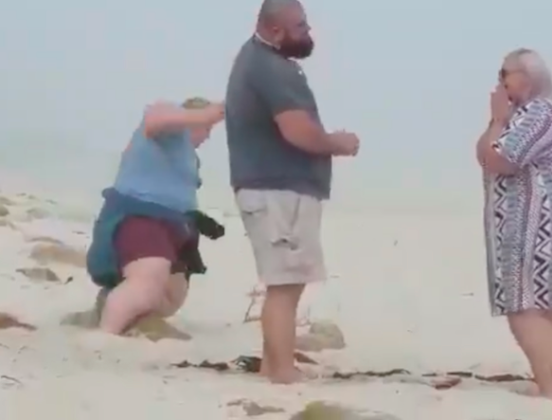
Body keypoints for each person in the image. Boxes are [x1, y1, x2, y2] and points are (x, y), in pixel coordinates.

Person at [224, 0, 359, 384]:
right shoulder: (269, 68)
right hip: (276, 191)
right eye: (300, 27)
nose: (309, 33)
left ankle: (275, 366)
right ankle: (281, 373)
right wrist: (339, 142)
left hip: (275, 189)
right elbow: (297, 131)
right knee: (284, 284)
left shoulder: (262, 62)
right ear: (276, 30)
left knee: (288, 281)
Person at [475, 49, 552, 398]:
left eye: (505, 74)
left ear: (526, 78)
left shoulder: (537, 112)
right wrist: (497, 123)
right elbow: (485, 155)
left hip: (540, 220)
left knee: (525, 308)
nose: (500, 82)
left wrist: (497, 121)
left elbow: (499, 160)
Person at [86, 97, 226, 335]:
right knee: (149, 279)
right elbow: (154, 118)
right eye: (207, 129)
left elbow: (174, 192)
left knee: (171, 296)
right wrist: (209, 113)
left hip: (175, 225)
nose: (208, 136)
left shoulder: (190, 158)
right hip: (139, 215)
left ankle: (117, 302)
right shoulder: (166, 129)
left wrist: (199, 219)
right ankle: (105, 335)